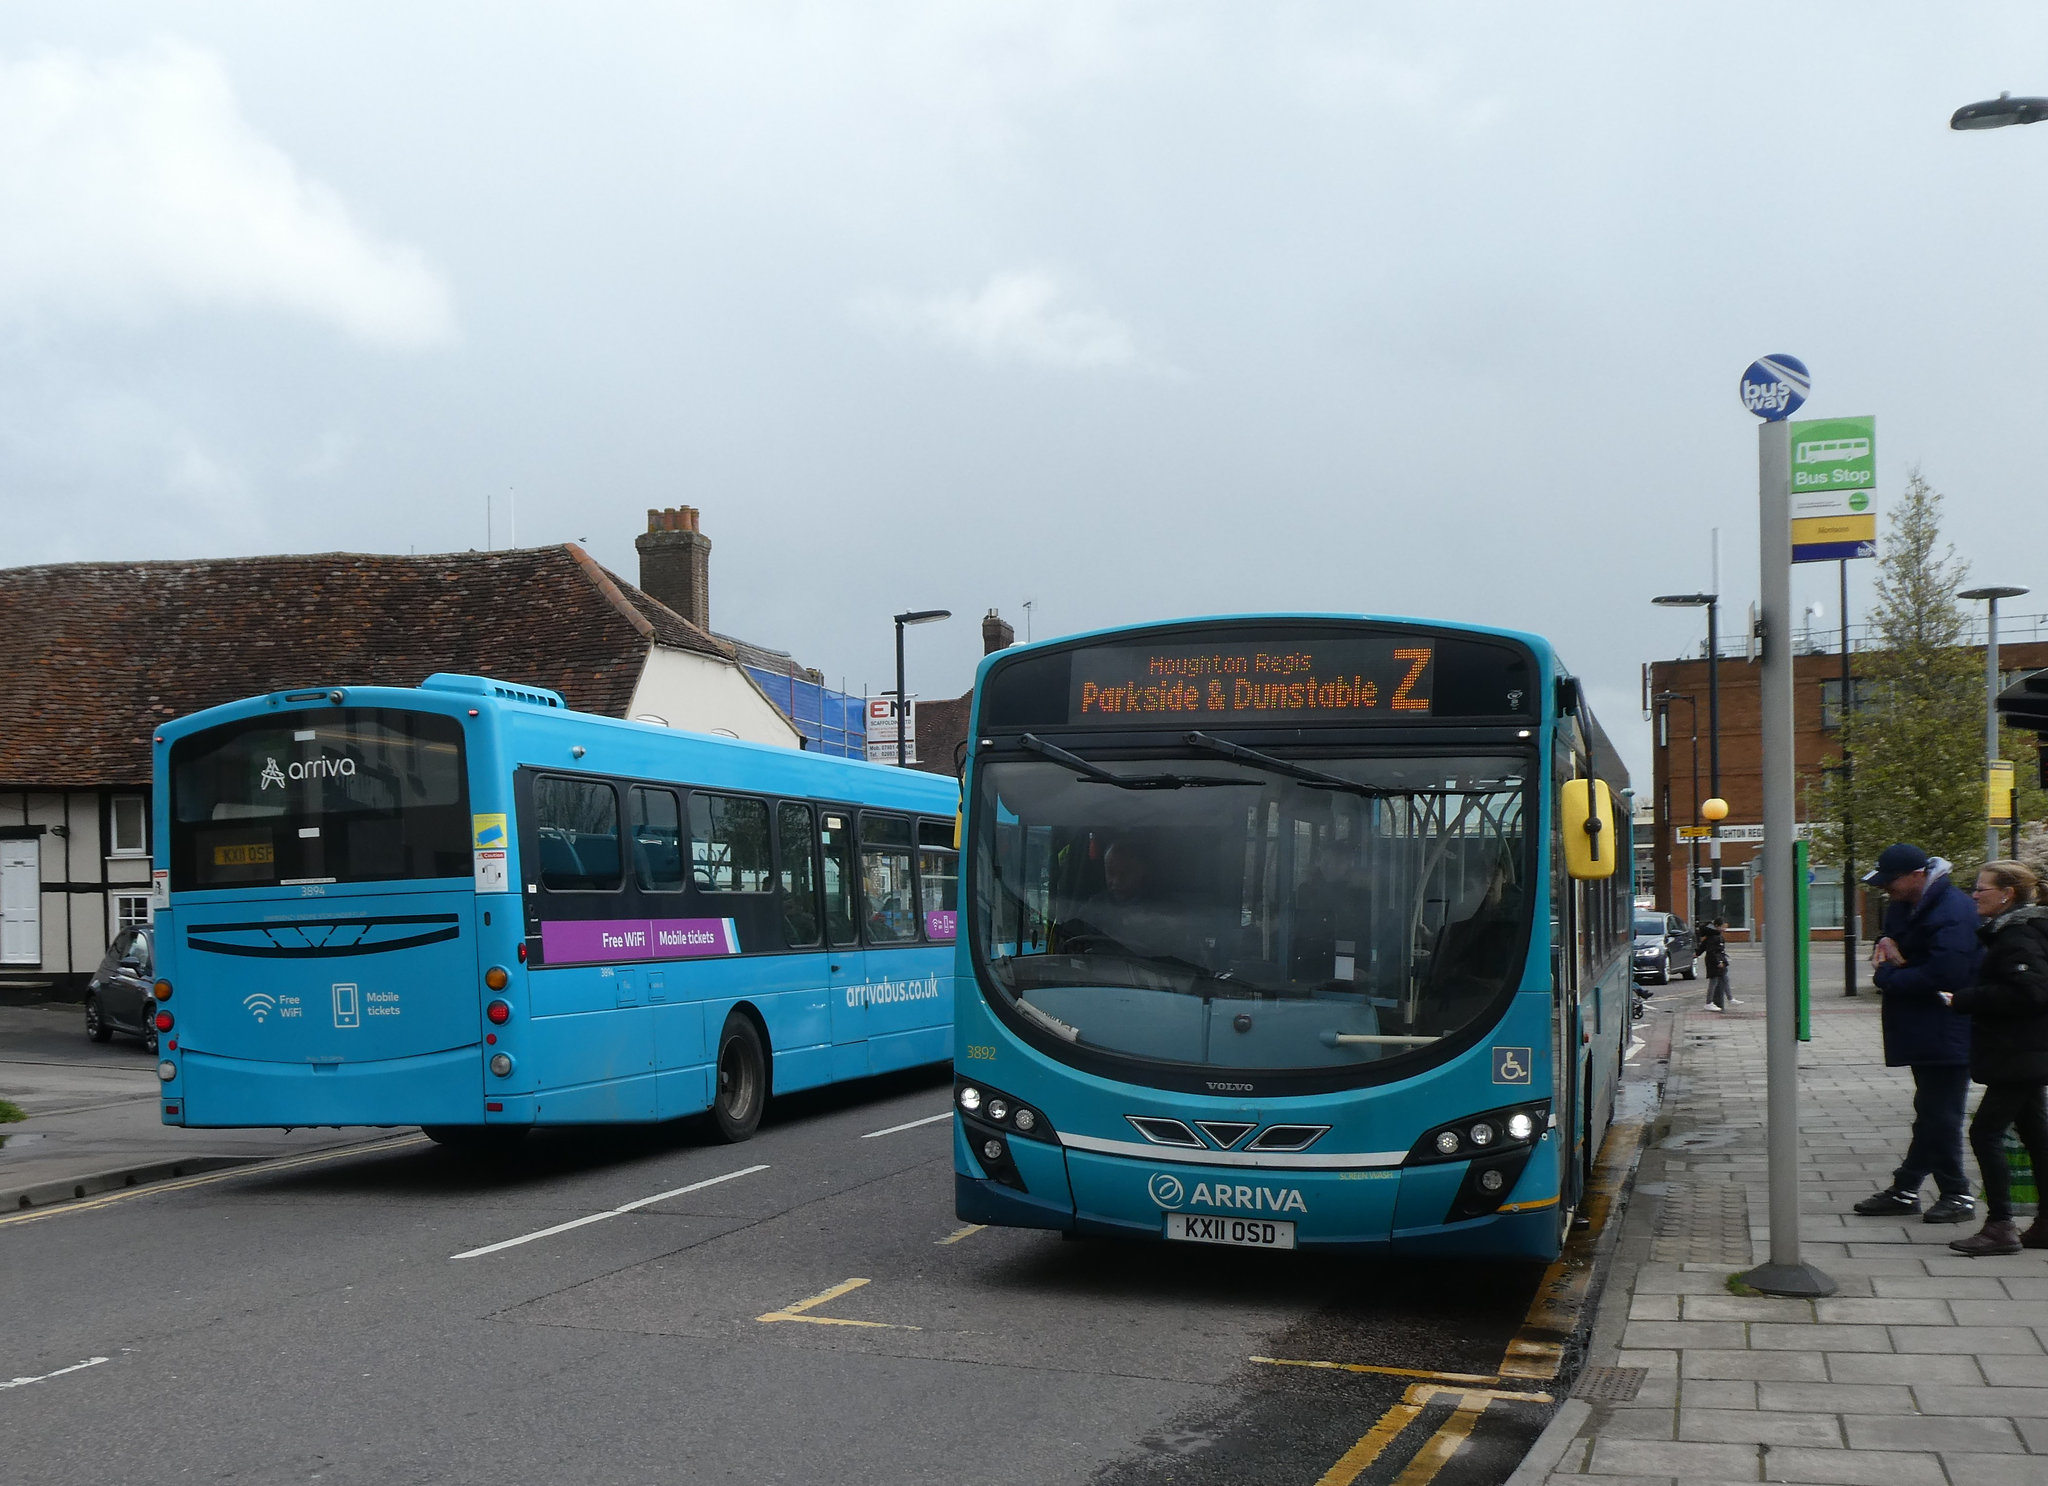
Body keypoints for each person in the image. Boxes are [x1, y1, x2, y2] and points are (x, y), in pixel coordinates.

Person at [1853, 843, 1984, 1224]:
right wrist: (1885, 941)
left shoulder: (1953, 912)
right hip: (1925, 1025)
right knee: (1931, 1111)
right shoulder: (1913, 903)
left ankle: (1957, 1194)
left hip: (1948, 1024)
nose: (1885, 889)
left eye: (1890, 882)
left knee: (1940, 1113)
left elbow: (1946, 974)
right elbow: (1898, 937)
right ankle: (1907, 1188)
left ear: (1917, 875)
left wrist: (1888, 975)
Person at [1943, 861, 2048, 1256]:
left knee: (1984, 1132)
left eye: (1981, 888)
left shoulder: (2017, 935)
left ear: (2007, 894)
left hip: (2017, 1051)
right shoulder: (2021, 931)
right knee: (2036, 1133)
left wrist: (1966, 999)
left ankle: (2000, 1225)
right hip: (2025, 1050)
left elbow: (2033, 992)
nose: (1974, 894)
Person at [1699, 918, 1733, 1011]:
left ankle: (1730, 998)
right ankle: (1709, 1003)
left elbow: (1704, 945)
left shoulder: (1714, 934)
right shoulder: (1714, 936)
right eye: (1723, 927)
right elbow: (1712, 951)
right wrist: (1718, 962)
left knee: (1724, 978)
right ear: (1717, 926)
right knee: (1714, 981)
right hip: (1714, 962)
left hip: (1717, 961)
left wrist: (1697, 953)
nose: (1724, 929)